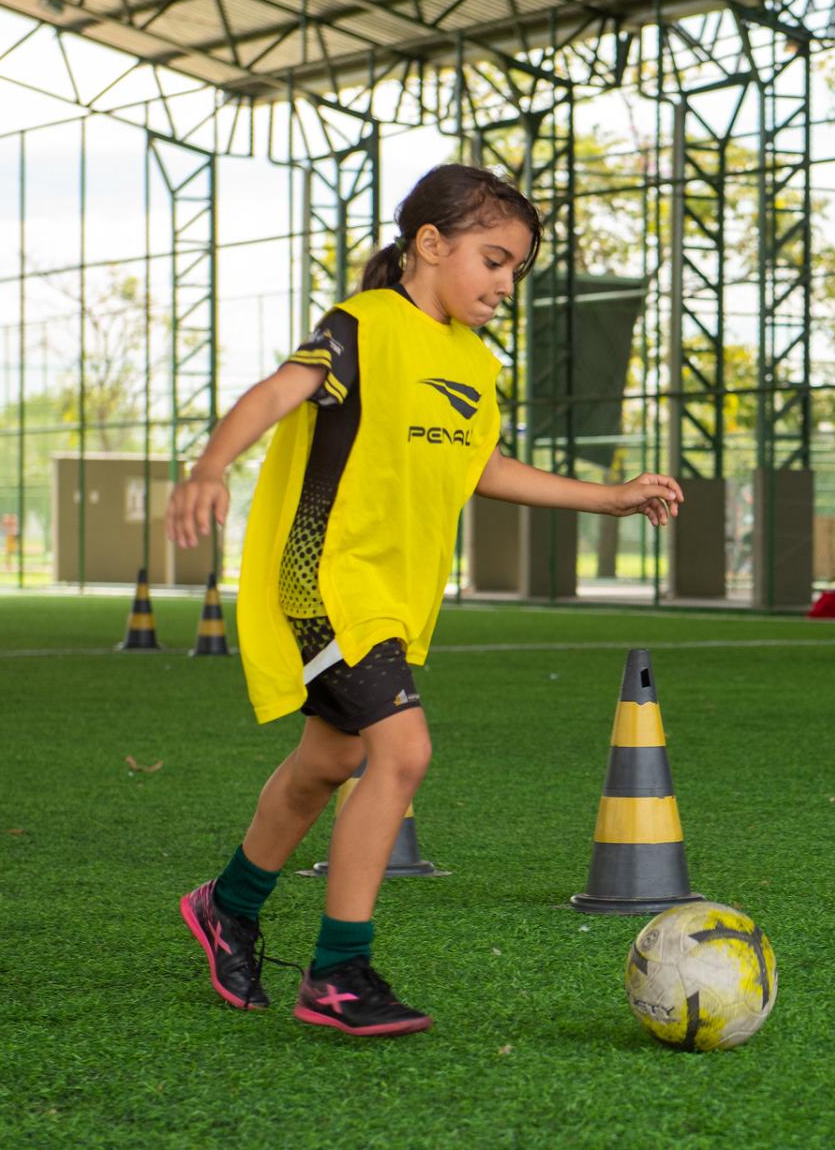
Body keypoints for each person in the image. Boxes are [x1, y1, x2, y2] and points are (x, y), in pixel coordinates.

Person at [165, 165, 683, 1036]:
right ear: (430, 245)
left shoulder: (476, 366)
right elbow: (275, 392)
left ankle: (230, 903)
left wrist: (613, 494)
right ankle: (337, 972)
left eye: (516, 269)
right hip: (323, 580)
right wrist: (210, 467)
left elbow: (481, 469)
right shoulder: (361, 327)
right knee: (400, 753)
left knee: (330, 761)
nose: (504, 284)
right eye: (492, 259)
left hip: (397, 600)